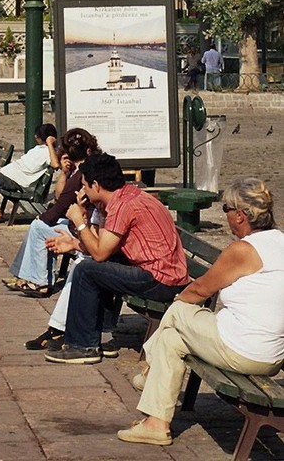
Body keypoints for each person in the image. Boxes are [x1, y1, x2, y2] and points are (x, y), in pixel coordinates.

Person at [118, 177, 284, 447]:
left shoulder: (243, 250)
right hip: (271, 355)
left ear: (241, 216)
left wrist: (178, 305)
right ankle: (155, 424)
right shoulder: (280, 242)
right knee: (172, 340)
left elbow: (197, 292)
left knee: (179, 310)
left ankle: (148, 368)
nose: (226, 216)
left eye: (226, 210)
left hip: (243, 350)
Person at [41, 152, 188, 364]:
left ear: (96, 185)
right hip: (164, 272)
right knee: (99, 265)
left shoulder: (122, 206)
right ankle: (100, 335)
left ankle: (82, 346)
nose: (81, 190)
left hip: (160, 279)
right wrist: (76, 240)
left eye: (84, 185)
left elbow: (99, 253)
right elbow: (102, 245)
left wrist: (78, 222)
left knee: (86, 270)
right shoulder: (125, 196)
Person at [4, 128, 99, 297]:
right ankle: (27, 276)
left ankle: (40, 282)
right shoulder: (80, 171)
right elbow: (60, 195)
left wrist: (43, 217)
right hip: (82, 221)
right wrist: (64, 172)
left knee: (38, 227)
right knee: (38, 225)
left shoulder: (82, 173)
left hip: (85, 226)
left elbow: (60, 206)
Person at [0, 124, 59, 226]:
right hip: (9, 175)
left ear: (38, 137)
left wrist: (49, 144)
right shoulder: (40, 149)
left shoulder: (49, 152)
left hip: (13, 180)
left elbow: (55, 165)